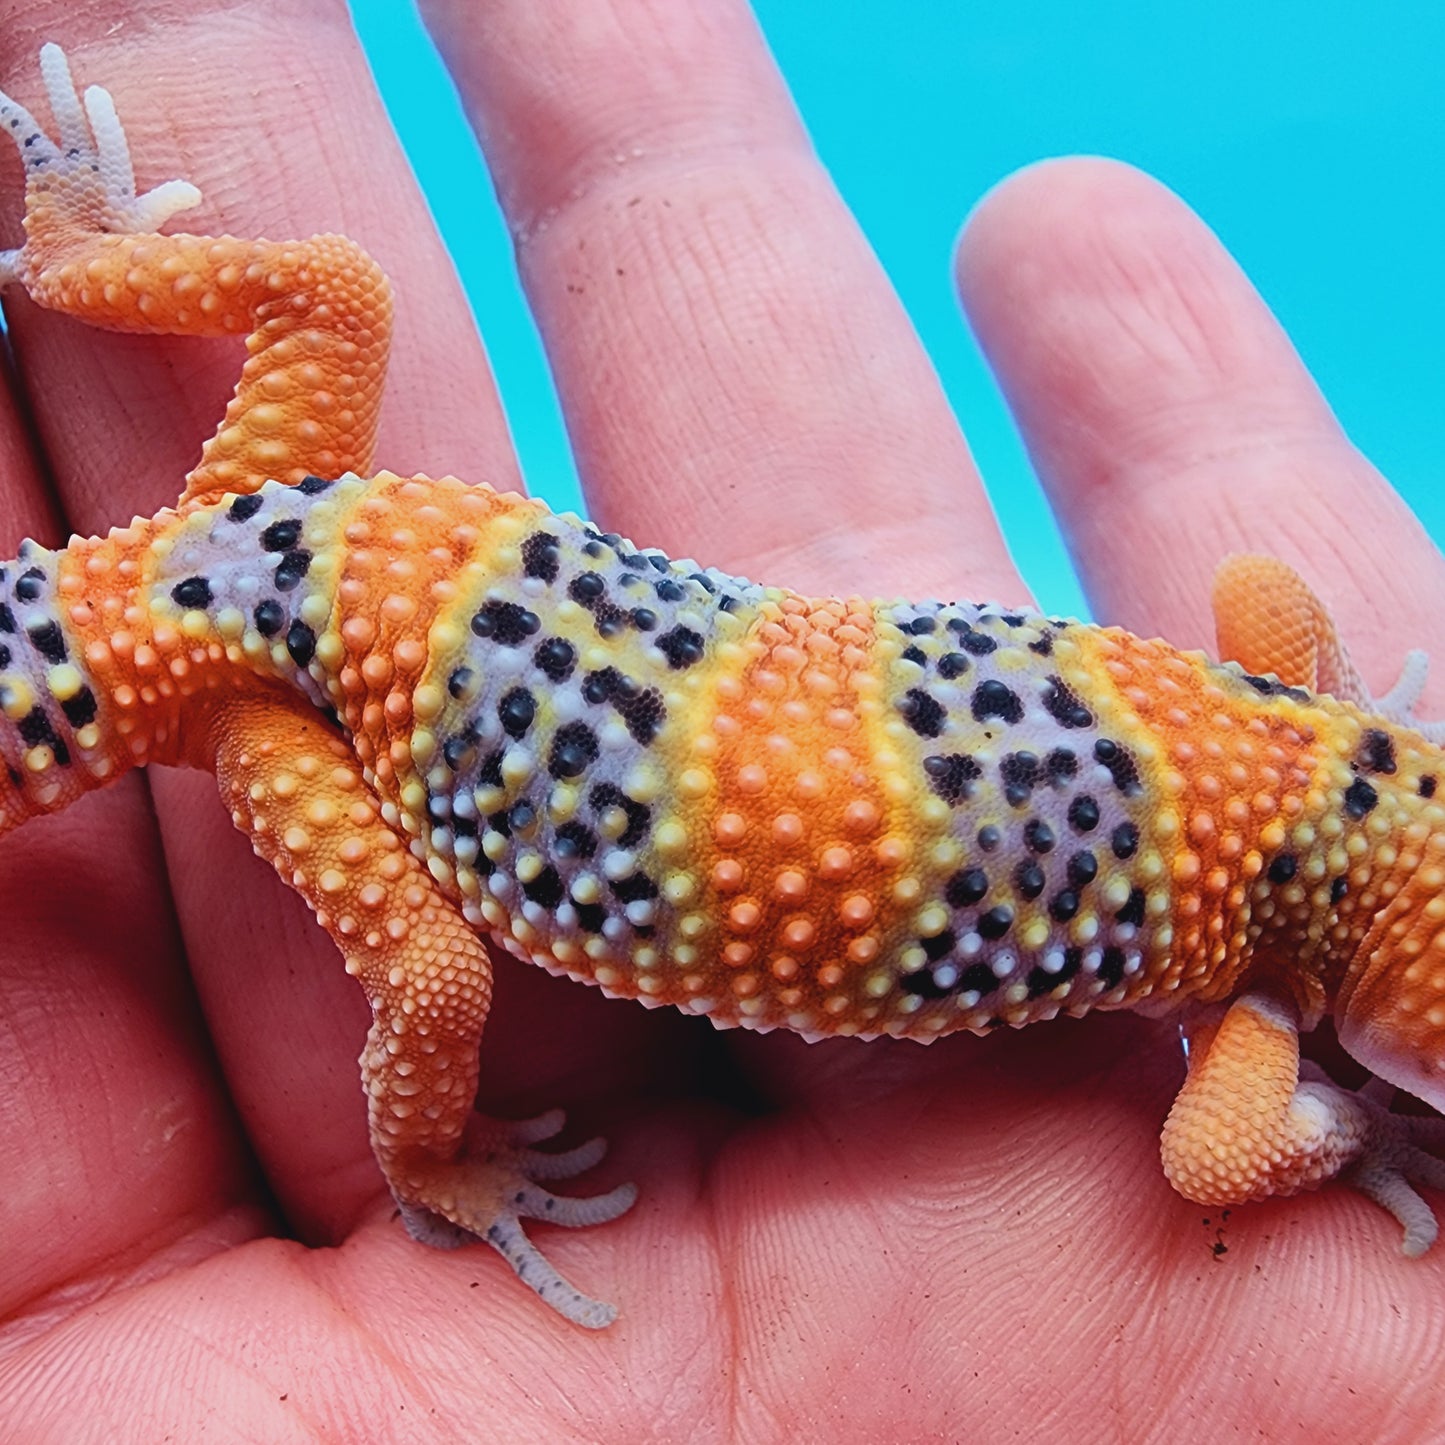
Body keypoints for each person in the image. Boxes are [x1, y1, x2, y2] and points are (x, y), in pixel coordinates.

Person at [1, 0, 1440, 1436]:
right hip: (264, 665)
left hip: (290, 549)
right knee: (432, 982)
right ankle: (431, 1173)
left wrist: (1335, 724)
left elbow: (1262, 588)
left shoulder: (1292, 716)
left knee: (336, 298)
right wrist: (1344, 1115)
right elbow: (1216, 1152)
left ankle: (71, 252)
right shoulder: (1255, 1019)